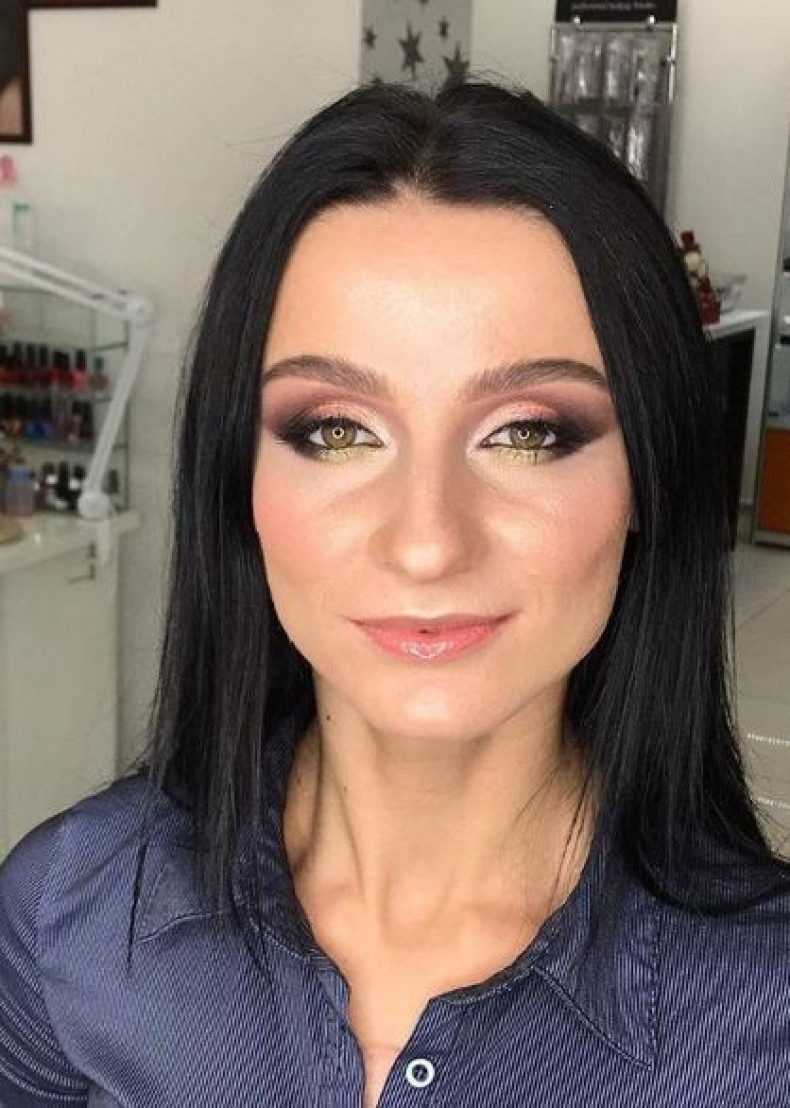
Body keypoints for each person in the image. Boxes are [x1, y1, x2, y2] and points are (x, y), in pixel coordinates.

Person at [1, 74, 789, 1108]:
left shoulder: (766, 1022)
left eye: (527, 433)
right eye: (337, 430)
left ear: (648, 473)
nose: (426, 543)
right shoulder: (69, 914)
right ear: (242, 477)